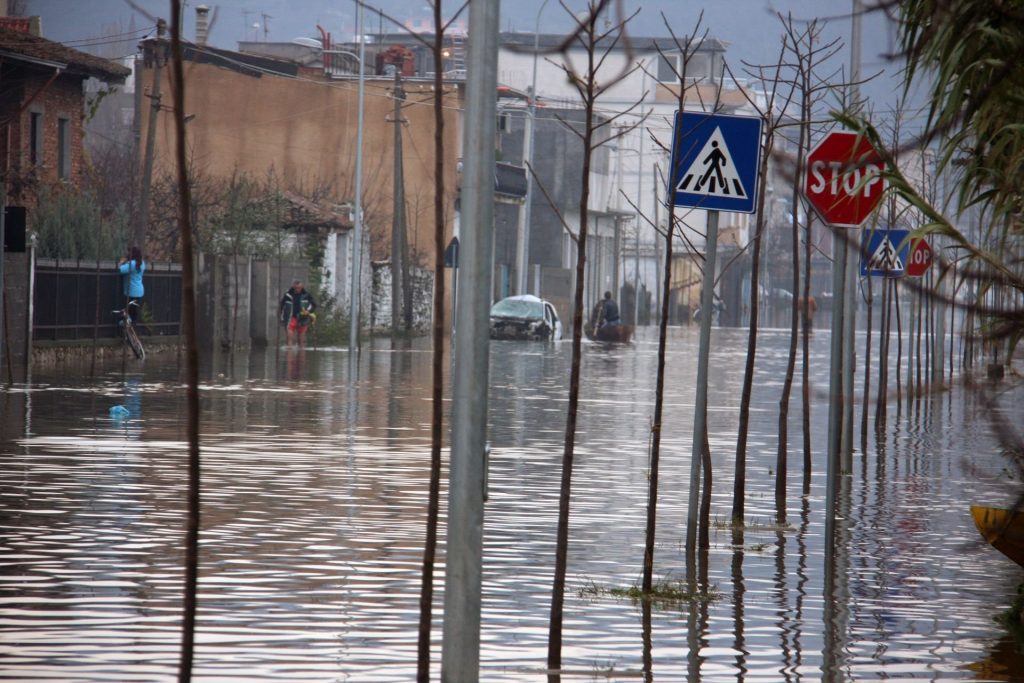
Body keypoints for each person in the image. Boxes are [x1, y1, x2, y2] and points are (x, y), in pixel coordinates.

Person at [280, 279, 316, 347]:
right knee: (289, 336)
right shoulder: (287, 295)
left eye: (299, 288)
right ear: (293, 287)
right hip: (291, 318)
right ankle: (289, 351)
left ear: (302, 287)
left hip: (303, 318)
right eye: (296, 288)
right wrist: (281, 318)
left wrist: (308, 311)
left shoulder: (307, 295)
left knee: (301, 338)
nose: (297, 289)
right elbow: (282, 306)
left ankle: (301, 352)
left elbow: (313, 305)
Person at [117, 246, 146, 322]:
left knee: (126, 313)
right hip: (139, 291)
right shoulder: (142, 263)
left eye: (129, 252)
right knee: (133, 312)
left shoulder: (132, 264)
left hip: (131, 292)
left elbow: (121, 270)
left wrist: (121, 262)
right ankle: (132, 329)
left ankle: (126, 328)